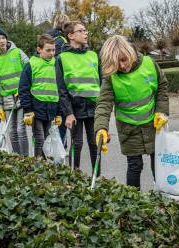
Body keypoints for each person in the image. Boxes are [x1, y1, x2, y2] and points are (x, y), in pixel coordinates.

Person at [94, 35, 169, 190]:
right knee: (135, 165)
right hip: (128, 128)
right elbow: (104, 103)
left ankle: (163, 195)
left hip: (153, 124)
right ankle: (133, 199)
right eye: (116, 63)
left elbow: (162, 87)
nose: (121, 66)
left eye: (123, 59)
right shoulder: (110, 77)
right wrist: (101, 128)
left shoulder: (149, 63)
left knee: (159, 162)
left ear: (130, 52)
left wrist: (161, 112)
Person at [56, 21, 101, 173]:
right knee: (77, 143)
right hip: (74, 108)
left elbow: (101, 83)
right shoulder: (62, 58)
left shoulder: (94, 55)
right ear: (71, 35)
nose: (85, 33)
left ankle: (98, 179)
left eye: (85, 30)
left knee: (95, 143)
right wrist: (68, 113)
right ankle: (76, 178)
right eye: (81, 31)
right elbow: (61, 89)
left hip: (94, 107)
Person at [0, 24, 29, 156]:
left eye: (3, 38)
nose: (2, 41)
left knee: (21, 129)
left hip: (21, 95)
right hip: (6, 99)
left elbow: (29, 71)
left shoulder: (17, 52)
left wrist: (24, 89)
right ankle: (17, 157)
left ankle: (26, 158)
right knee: (11, 131)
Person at [19, 34, 62, 158]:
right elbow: (23, 88)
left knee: (48, 138)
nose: (52, 53)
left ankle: (45, 163)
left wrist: (59, 112)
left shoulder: (57, 64)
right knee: (40, 137)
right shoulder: (31, 65)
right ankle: (39, 163)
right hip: (36, 108)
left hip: (52, 109)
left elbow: (59, 89)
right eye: (48, 50)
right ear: (39, 49)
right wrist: (27, 110)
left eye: (53, 50)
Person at [47, 13, 70, 148]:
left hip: (47, 80)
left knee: (51, 116)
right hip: (58, 79)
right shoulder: (62, 40)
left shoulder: (48, 37)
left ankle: (52, 144)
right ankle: (61, 145)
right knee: (61, 114)